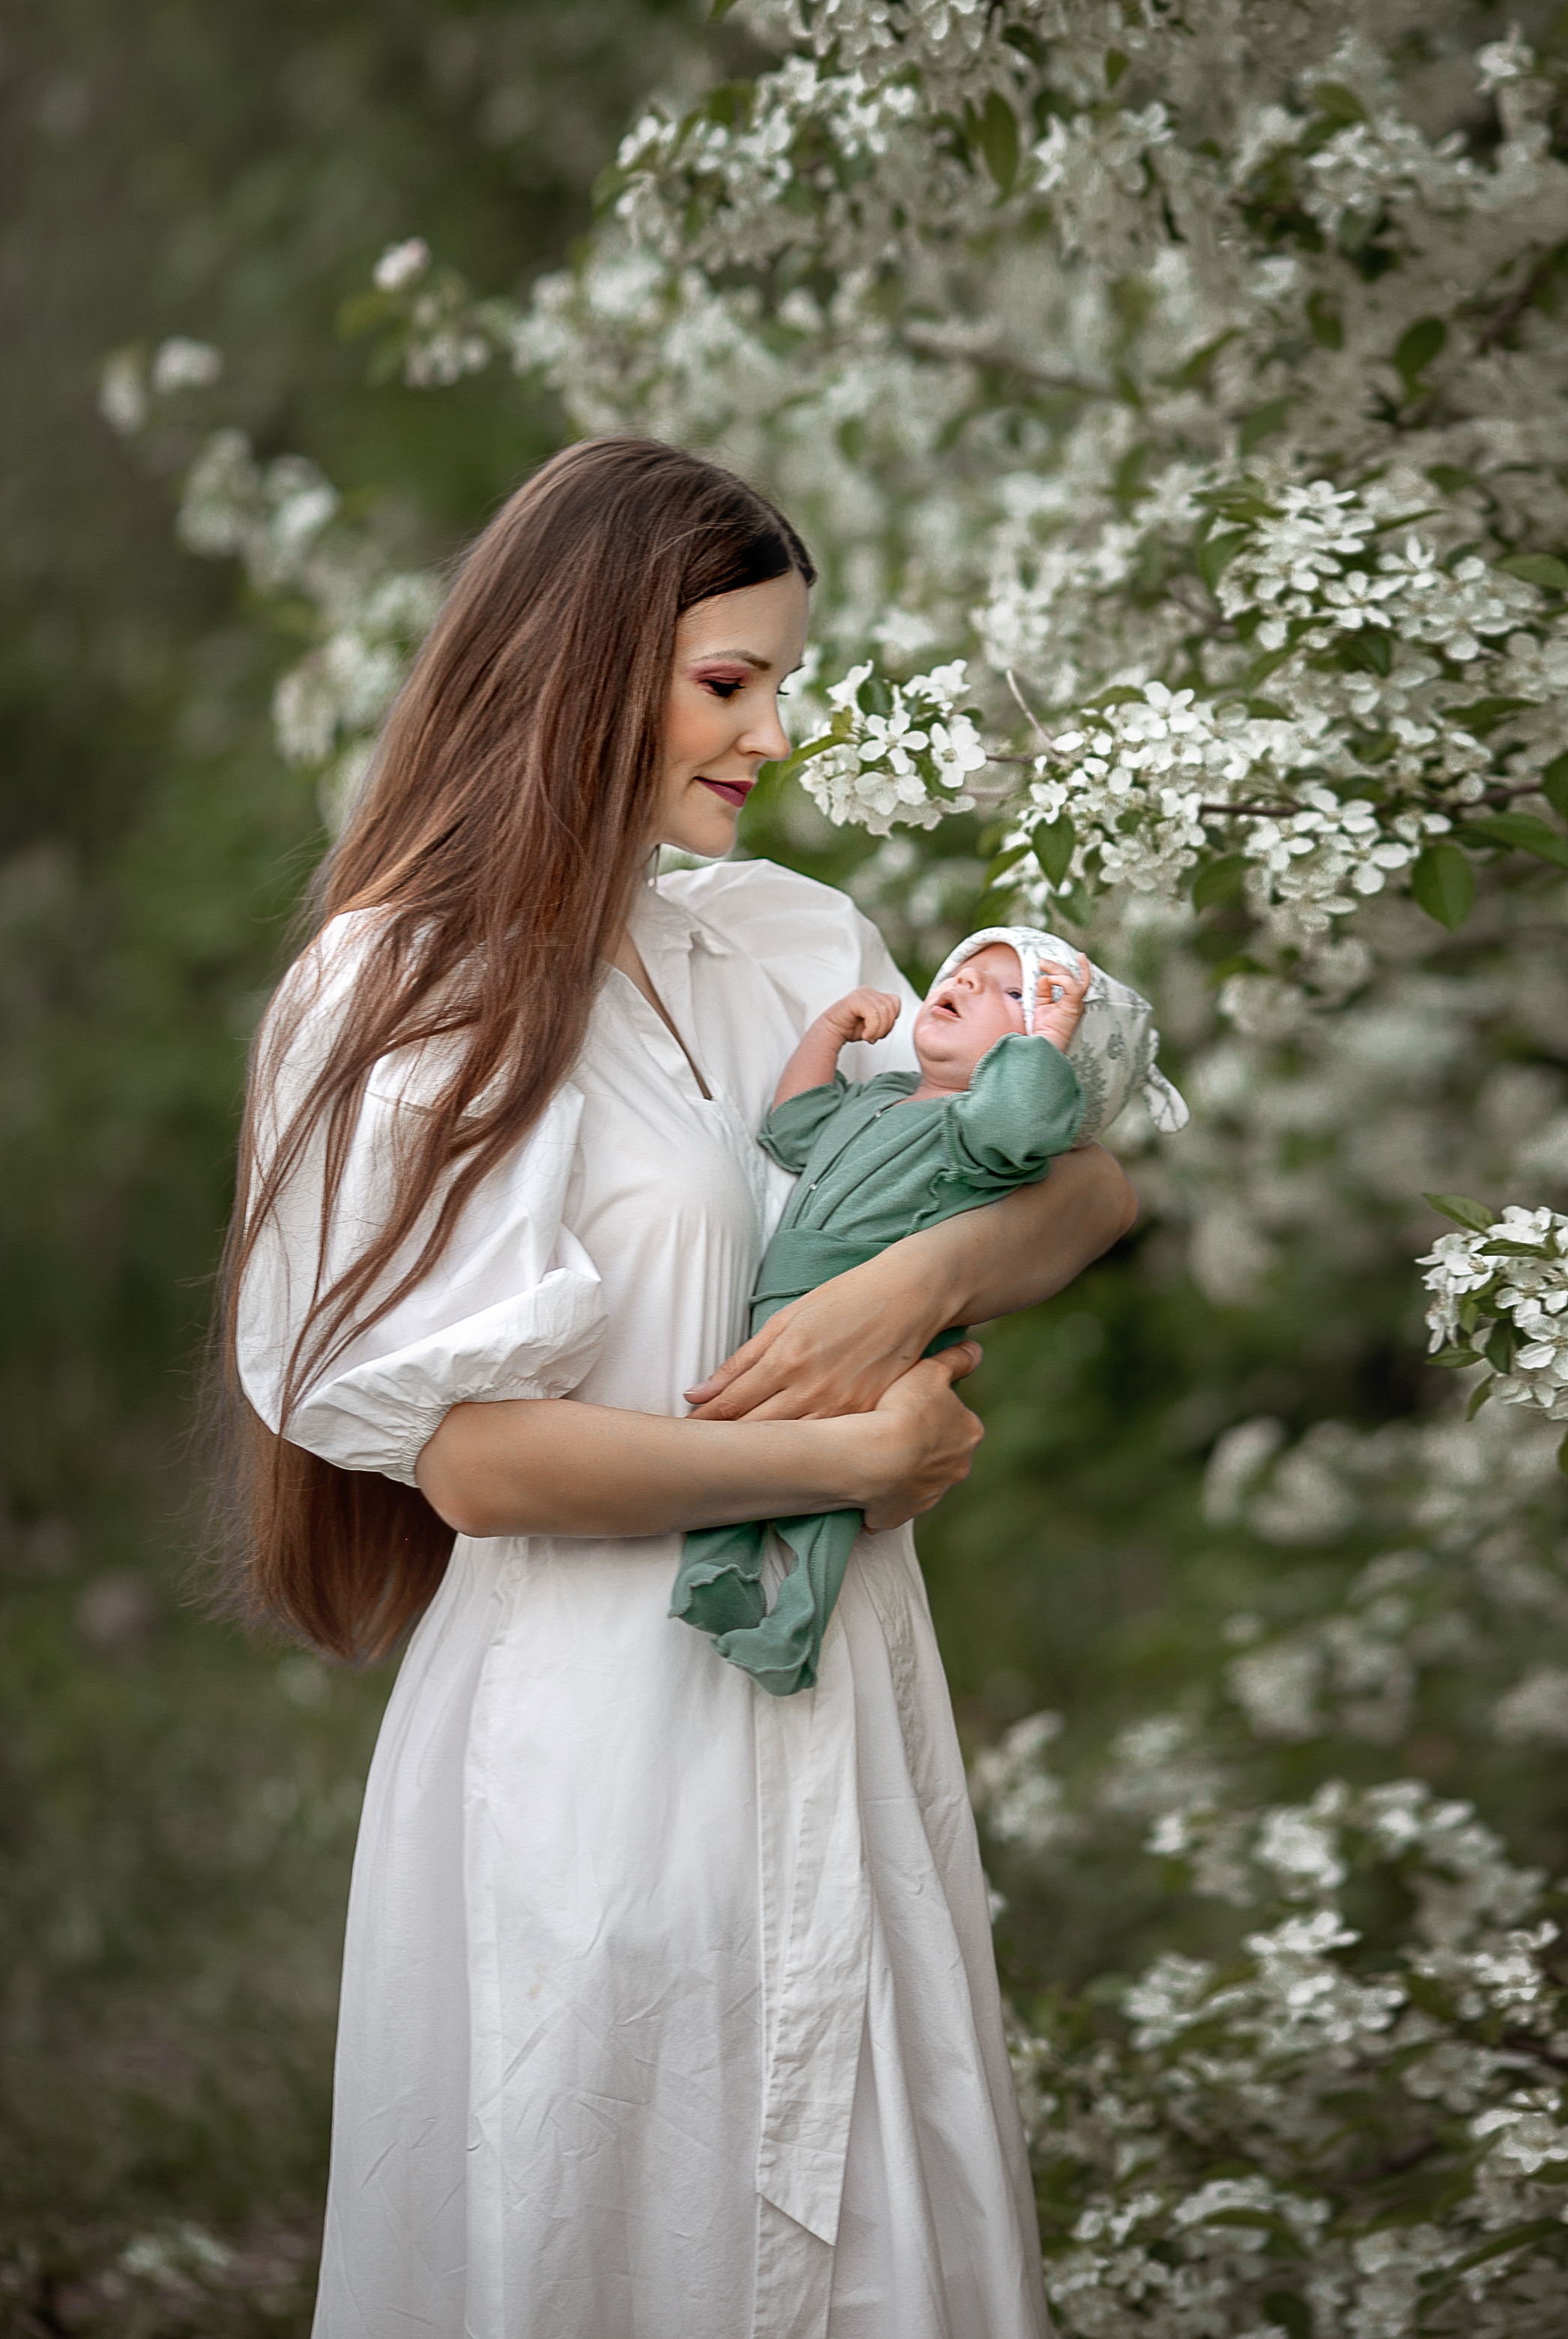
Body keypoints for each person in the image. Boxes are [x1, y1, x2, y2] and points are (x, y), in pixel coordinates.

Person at [223, 434, 1140, 2339]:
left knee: (879, 2218)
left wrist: (927, 1268)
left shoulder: (788, 936)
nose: (772, 734)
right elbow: (474, 1462)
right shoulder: (399, 987)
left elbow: (1089, 1183)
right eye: (730, 683)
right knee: (609, 2219)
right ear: (579, 671)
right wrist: (847, 1441)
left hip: (842, 1682)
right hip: (597, 1721)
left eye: (781, 683)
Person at [675, 934, 1186, 1696]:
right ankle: (715, 1568)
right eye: (968, 971)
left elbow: (1021, 1119)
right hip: (785, 1301)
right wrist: (829, 1034)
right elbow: (792, 1127)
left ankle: (795, 1623)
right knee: (742, 1435)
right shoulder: (880, 1096)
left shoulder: (983, 1141)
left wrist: (1047, 1037)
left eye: (1015, 993)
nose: (969, 979)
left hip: (872, 1338)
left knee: (822, 1485)